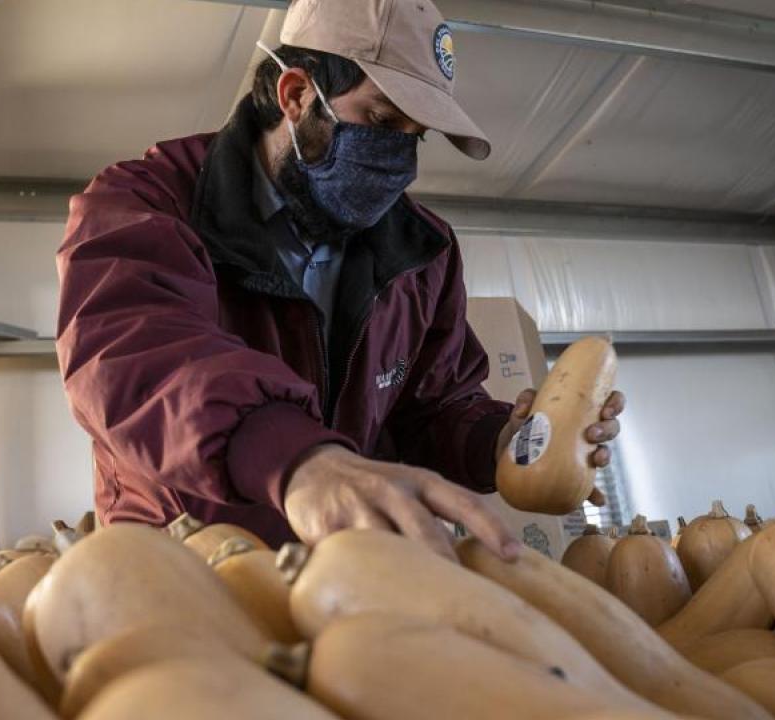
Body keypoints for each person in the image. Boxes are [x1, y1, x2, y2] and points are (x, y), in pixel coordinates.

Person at [55, 0, 623, 561]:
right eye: (381, 120)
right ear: (297, 94)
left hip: (352, 574)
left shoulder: (424, 252)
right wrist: (298, 459)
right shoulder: (146, 203)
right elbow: (137, 357)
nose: (399, 157)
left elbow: (434, 405)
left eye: (415, 135)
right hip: (189, 571)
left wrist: (493, 441)